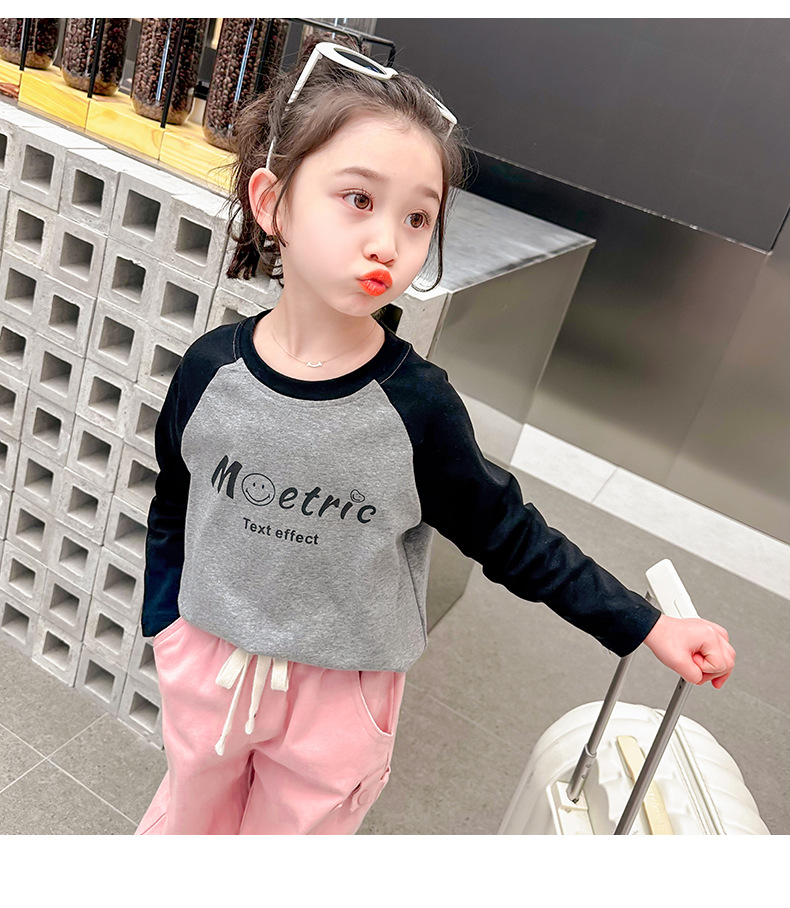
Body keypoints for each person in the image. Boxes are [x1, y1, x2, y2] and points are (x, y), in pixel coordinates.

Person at [134, 42, 735, 836]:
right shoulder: (211, 370)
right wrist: (166, 619)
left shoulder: (417, 408)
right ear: (272, 202)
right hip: (209, 664)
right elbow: (175, 496)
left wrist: (645, 623)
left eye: (417, 217)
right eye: (358, 199)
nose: (389, 241)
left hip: (338, 695)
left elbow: (507, 533)